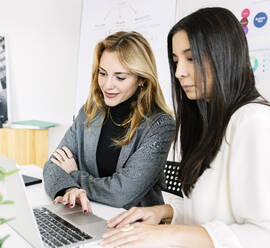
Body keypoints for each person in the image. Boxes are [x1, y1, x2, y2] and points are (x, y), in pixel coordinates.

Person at [101, 7, 270, 248]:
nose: (179, 72)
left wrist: (166, 235)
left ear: (225, 55)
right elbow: (215, 211)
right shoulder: (214, 121)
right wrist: (163, 213)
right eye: (176, 61)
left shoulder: (255, 122)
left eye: (191, 58)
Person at [43, 31, 176, 213]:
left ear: (142, 80)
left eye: (120, 77)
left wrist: (74, 176)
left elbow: (121, 194)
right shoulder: (89, 112)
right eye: (103, 73)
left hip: (135, 226)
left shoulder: (160, 125)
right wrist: (70, 189)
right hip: (90, 214)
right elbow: (53, 165)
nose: (107, 85)